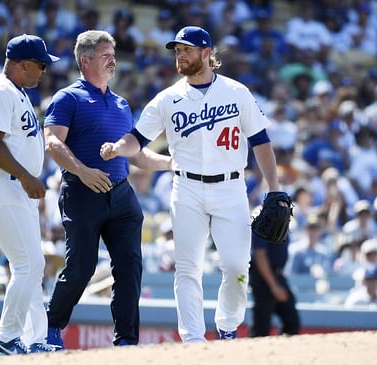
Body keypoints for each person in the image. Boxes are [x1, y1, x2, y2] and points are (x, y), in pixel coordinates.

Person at [100, 26, 284, 343]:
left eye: (187, 49)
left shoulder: (236, 92)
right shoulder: (167, 99)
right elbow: (137, 139)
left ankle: (227, 326)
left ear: (206, 53)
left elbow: (261, 142)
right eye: (177, 50)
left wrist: (275, 187)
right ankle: (193, 340)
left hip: (231, 187)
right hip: (186, 188)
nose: (180, 55)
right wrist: (119, 147)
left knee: (238, 267)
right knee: (187, 268)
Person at [43, 30, 171, 348]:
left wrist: (171, 163)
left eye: (114, 54)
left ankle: (126, 341)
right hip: (82, 192)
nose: (113, 59)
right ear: (86, 60)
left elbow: (137, 154)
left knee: (130, 270)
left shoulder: (121, 103)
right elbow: (52, 142)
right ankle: (49, 328)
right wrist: (84, 172)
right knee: (81, 268)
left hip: (122, 194)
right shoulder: (68, 98)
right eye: (105, 54)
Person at [0, 34, 61, 356]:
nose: (44, 71)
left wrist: (25, 178)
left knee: (30, 266)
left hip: (14, 187)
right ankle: (6, 340)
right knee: (29, 265)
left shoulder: (17, 92)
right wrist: (25, 176)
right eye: (40, 65)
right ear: (22, 65)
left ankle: (34, 340)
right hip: (1, 183)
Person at [249, 230, 300, 337]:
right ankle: (255, 352)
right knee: (262, 325)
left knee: (292, 320)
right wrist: (274, 286)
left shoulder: (282, 217)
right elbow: (260, 255)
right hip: (263, 275)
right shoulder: (265, 219)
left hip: (277, 274)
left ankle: (282, 350)